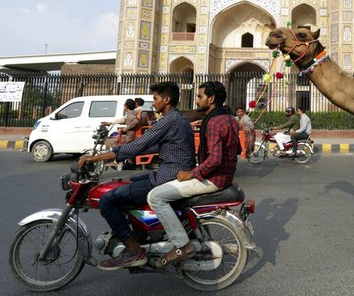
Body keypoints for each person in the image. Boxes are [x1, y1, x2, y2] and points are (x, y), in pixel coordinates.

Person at [77, 81, 196, 270]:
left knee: (108, 200)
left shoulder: (169, 120)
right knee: (129, 182)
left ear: (166, 100)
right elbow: (152, 146)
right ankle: (139, 233)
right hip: (170, 171)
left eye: (155, 99)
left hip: (169, 176)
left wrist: (96, 157)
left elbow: (138, 146)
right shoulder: (177, 119)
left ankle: (134, 251)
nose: (153, 103)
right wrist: (119, 151)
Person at [147, 81, 240, 267]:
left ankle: (182, 245)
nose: (196, 101)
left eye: (199, 97)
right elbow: (236, 149)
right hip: (224, 176)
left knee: (155, 196)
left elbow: (215, 160)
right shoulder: (229, 118)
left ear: (211, 99)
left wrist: (192, 173)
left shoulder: (214, 122)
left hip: (213, 179)